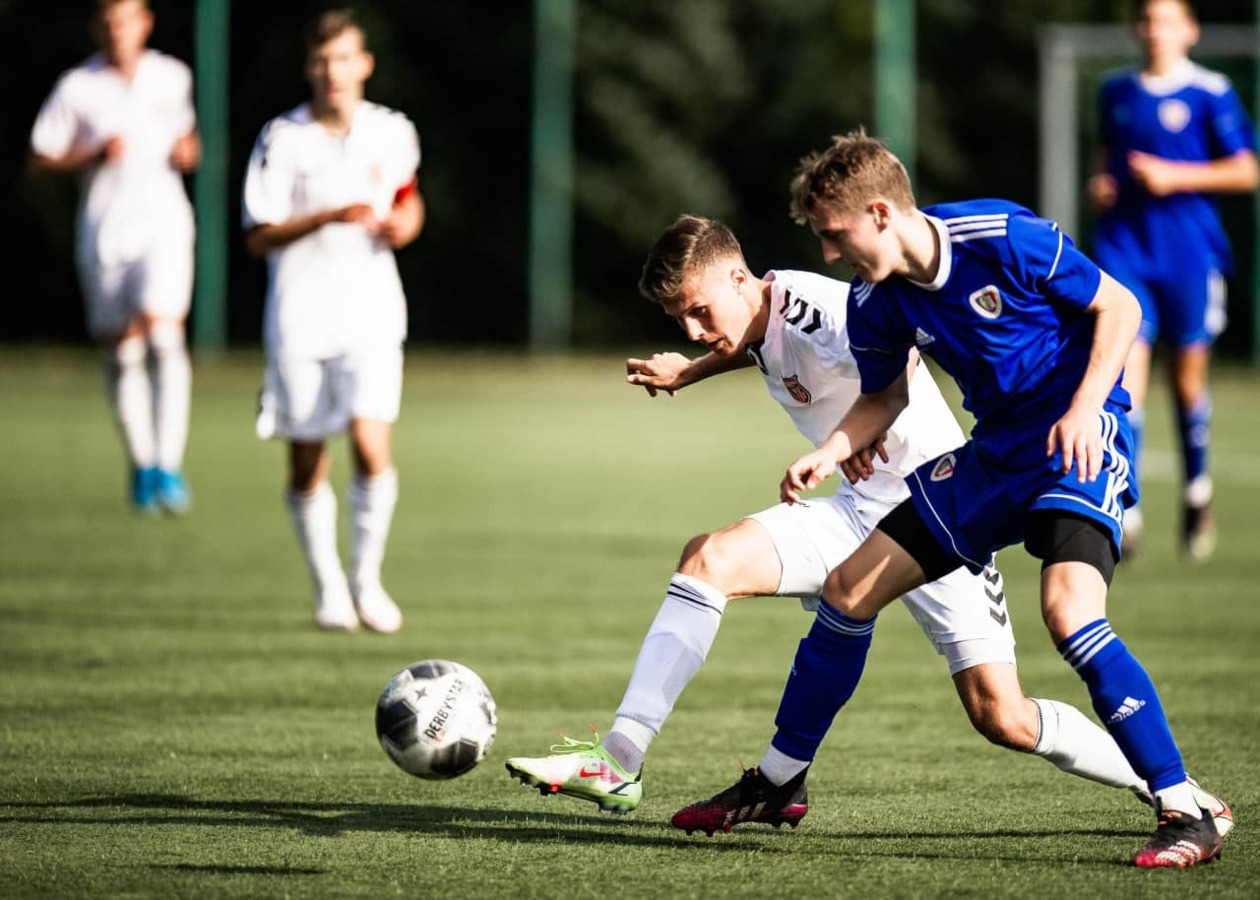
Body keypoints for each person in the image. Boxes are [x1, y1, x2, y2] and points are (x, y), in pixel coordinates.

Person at [502, 214, 1227, 836]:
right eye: (680, 321)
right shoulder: (760, 314)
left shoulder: (818, 305)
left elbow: (898, 353)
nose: (693, 329)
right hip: (856, 513)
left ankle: (1168, 787)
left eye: (698, 312)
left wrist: (850, 436)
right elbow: (756, 342)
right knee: (708, 559)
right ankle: (622, 759)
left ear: (739, 278)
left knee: (1001, 716)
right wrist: (690, 370)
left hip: (941, 516)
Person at [671, 129, 1231, 868]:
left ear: (879, 213)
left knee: (1068, 613)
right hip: (993, 455)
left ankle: (1184, 808)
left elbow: (1121, 309)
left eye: (835, 235)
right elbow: (884, 398)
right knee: (847, 591)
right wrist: (830, 452)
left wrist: (1083, 406)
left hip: (1077, 435)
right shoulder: (876, 301)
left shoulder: (999, 235)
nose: (829, 254)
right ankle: (779, 782)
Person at [242, 9, 424, 633]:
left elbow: (408, 199)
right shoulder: (282, 138)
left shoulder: (393, 130)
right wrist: (325, 216)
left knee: (372, 446)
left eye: (343, 58)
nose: (333, 72)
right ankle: (327, 586)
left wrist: (405, 225)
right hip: (300, 317)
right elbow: (257, 236)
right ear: (309, 68)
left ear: (363, 64)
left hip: (373, 312)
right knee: (307, 457)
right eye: (322, 61)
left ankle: (366, 580)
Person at [1087, 0, 1258, 561]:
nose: (1154, 31)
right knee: (1125, 380)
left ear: (1190, 30)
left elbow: (1246, 170)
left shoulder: (1211, 91)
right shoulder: (1115, 90)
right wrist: (1101, 185)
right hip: (1125, 252)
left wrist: (1175, 177)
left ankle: (1196, 492)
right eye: (1146, 20)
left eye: (1166, 20)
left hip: (1189, 255)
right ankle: (1127, 508)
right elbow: (1106, 157)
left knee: (1187, 385)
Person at [28, 0, 199, 515]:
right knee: (123, 351)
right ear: (96, 26)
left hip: (164, 226)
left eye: (125, 20)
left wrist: (189, 151)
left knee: (164, 336)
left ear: (145, 23)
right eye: (107, 22)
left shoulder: (172, 76)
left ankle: (169, 464)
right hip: (105, 232)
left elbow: (188, 139)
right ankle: (143, 464)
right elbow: (39, 158)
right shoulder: (77, 87)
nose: (116, 30)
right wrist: (92, 154)